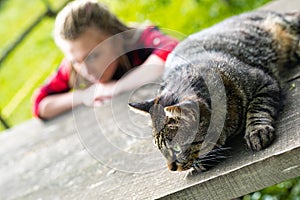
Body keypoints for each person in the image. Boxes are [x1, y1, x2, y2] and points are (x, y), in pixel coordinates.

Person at [32, 0, 178, 119]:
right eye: (76, 61)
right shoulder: (72, 66)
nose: (85, 70)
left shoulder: (140, 39)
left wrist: (116, 88)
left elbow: (173, 50)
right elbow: (40, 104)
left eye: (93, 56)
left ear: (116, 39)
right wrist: (83, 96)